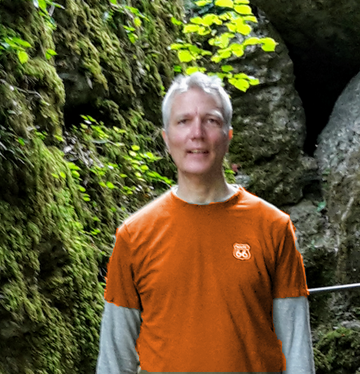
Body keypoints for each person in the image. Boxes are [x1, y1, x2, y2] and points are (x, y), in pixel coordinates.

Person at [96, 72, 315, 374]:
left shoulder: (273, 228)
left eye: (210, 120)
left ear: (228, 135)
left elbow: (297, 351)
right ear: (166, 138)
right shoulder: (134, 236)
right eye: (183, 121)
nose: (196, 133)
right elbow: (114, 361)